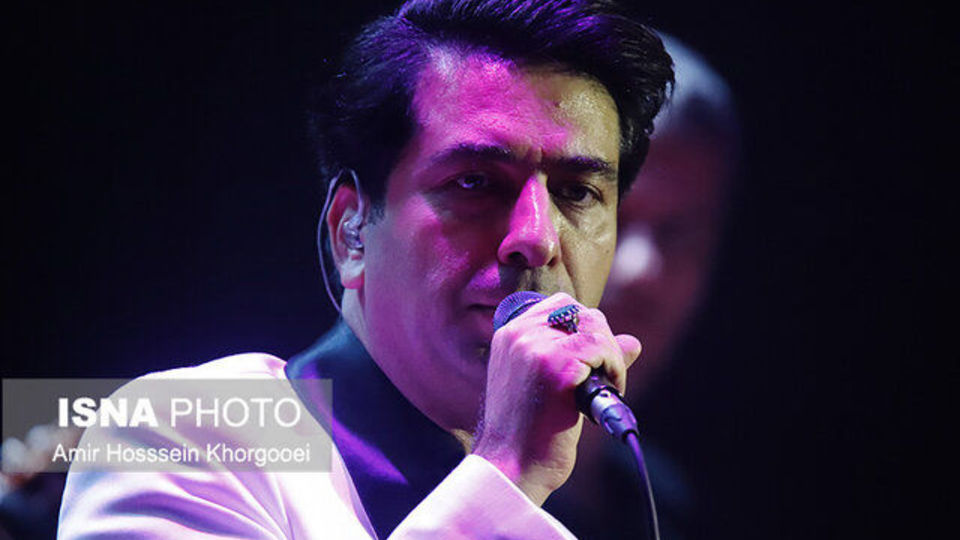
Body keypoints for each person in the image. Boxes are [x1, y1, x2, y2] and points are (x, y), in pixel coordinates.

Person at [57, 0, 673, 537]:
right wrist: (507, 473)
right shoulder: (185, 435)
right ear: (351, 230)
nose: (535, 238)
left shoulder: (603, 504)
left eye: (577, 193)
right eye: (475, 182)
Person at [544, 33, 741, 538]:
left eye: (677, 234)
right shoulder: (322, 433)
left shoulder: (662, 503)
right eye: (614, 215)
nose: (643, 270)